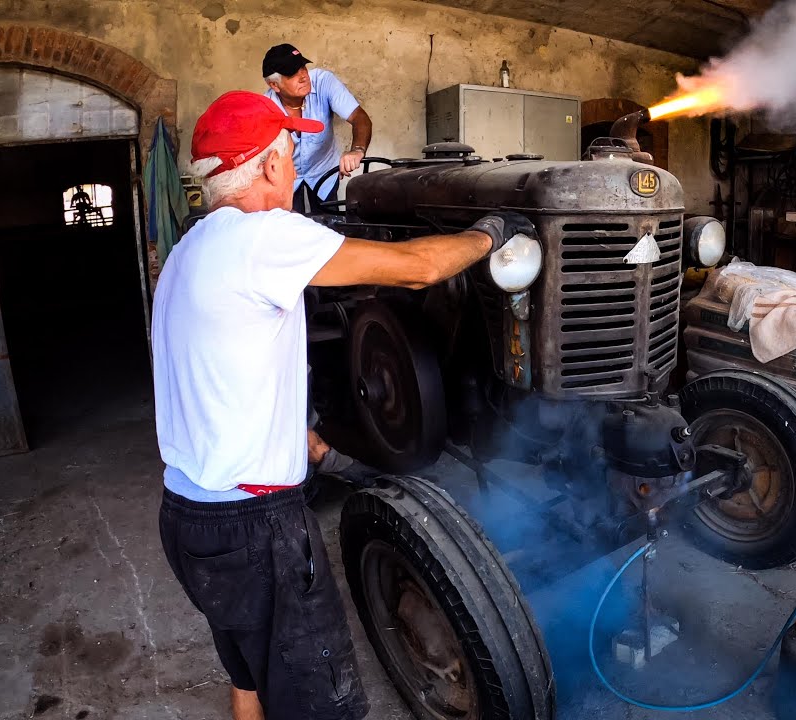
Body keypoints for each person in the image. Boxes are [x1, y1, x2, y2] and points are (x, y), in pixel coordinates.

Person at [153, 90, 535, 720]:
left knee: (249, 673)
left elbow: (213, 383)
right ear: (273, 165)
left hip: (189, 518)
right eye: (290, 150)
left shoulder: (185, 255)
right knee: (323, 703)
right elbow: (415, 269)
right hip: (256, 532)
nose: (296, 162)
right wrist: (490, 234)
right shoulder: (265, 237)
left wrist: (315, 448)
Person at [262, 43, 373, 210]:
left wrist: (357, 150)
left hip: (324, 169)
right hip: (287, 176)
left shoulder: (324, 82)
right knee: (292, 226)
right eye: (292, 73)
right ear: (274, 85)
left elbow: (360, 118)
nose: (303, 76)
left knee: (330, 222)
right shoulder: (265, 108)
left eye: (303, 68)